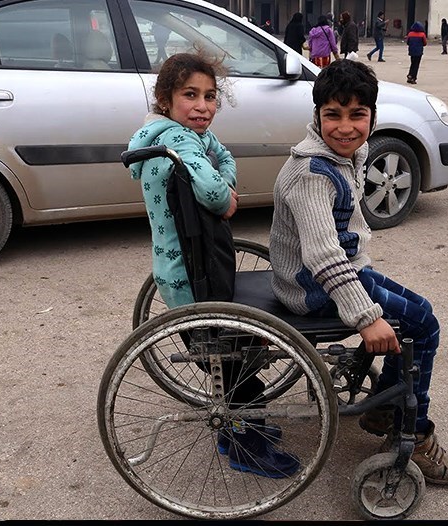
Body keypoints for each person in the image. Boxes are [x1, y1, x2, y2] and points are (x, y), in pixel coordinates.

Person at [268, 59, 448, 486]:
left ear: (372, 116)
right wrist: (367, 318)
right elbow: (324, 257)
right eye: (333, 115)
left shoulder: (345, 155)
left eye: (357, 115)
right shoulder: (311, 173)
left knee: (420, 313)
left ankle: (385, 409)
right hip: (314, 286)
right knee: (423, 325)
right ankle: (409, 429)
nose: (345, 127)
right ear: (317, 115)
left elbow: (344, 238)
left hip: (336, 271)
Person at [126, 51, 300, 479]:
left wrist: (224, 180)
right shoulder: (181, 141)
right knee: (236, 367)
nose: (203, 106)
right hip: (195, 273)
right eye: (190, 95)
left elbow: (225, 159)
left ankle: (236, 430)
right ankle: (244, 446)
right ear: (165, 99)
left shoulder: (166, 136)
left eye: (210, 96)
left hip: (180, 269)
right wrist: (226, 196)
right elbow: (214, 192)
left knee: (225, 357)